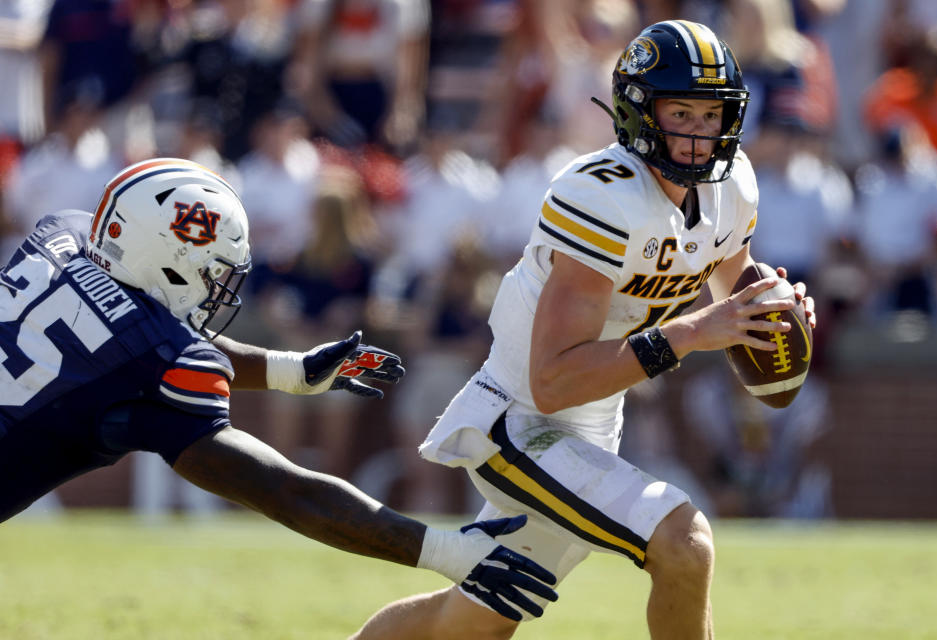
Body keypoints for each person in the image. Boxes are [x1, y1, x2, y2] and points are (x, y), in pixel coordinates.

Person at [353, 20, 817, 640]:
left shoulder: (733, 187)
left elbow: (734, 287)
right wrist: (692, 331)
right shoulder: (601, 197)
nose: (699, 135)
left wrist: (772, 312)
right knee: (685, 542)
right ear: (637, 113)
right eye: (680, 112)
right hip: (518, 422)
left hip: (592, 426)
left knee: (468, 620)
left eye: (712, 115)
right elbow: (553, 381)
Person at [0, 157, 558, 623]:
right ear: (168, 260)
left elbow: (124, 336)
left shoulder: (66, 235)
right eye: (210, 272)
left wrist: (289, 370)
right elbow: (290, 493)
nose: (215, 290)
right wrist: (447, 550)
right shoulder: (161, 360)